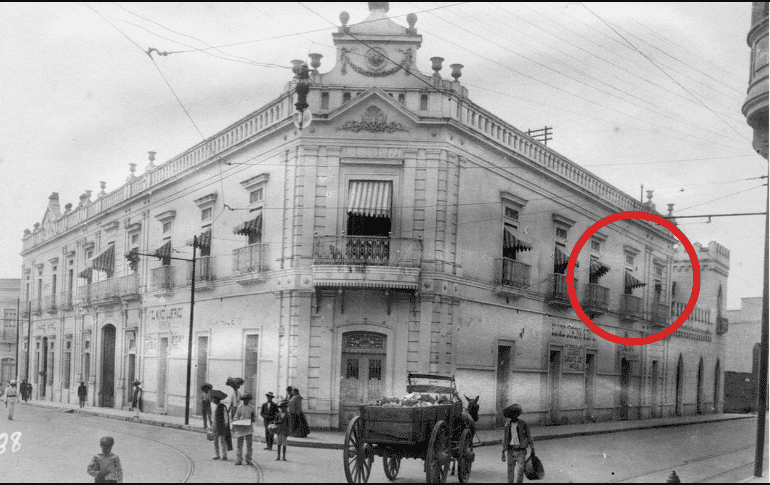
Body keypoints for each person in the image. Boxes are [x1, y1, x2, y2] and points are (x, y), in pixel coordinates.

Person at [502, 403, 535, 483]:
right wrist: (503, 451)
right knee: (510, 471)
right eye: (512, 414)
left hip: (521, 451)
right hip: (510, 451)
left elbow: (529, 436)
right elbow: (505, 439)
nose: (514, 416)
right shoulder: (507, 425)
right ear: (510, 416)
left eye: (515, 414)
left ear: (517, 414)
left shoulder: (523, 424)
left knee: (520, 472)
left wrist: (532, 448)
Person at [233, 393, 256, 466]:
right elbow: (236, 417)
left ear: (249, 400)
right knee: (239, 444)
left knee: (249, 444)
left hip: (248, 427)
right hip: (241, 427)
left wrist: (252, 419)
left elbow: (255, 417)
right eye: (244, 400)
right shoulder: (239, 407)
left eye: (247, 400)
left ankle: (248, 459)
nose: (245, 401)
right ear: (242, 400)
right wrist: (237, 421)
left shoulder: (252, 408)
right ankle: (239, 460)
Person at [211, 390, 232, 461]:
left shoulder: (222, 406)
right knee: (215, 441)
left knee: (222, 441)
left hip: (221, 426)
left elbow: (226, 416)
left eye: (213, 398)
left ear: (216, 399)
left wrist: (225, 425)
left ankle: (224, 455)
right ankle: (217, 455)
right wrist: (212, 425)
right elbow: (212, 417)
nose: (212, 399)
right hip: (214, 425)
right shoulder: (213, 406)